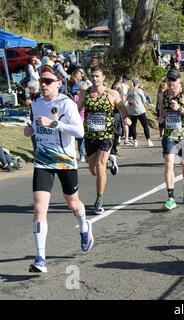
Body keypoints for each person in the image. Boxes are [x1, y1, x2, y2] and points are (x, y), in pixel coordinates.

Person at [23, 65, 93, 273]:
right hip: (43, 160)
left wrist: (54, 124)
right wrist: (30, 130)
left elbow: (79, 131)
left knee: (72, 203)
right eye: (42, 81)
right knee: (39, 208)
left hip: (65, 160)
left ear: (59, 84)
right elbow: (36, 127)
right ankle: (40, 258)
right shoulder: (36, 104)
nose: (43, 84)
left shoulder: (67, 104)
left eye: (48, 81)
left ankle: (84, 226)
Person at [76, 66, 132, 215]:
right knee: (93, 169)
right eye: (92, 76)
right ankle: (110, 161)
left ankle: (99, 200)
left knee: (100, 167)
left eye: (97, 76)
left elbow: (121, 108)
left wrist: (126, 118)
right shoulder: (85, 93)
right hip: (90, 135)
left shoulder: (112, 93)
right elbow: (76, 110)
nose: (95, 79)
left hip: (106, 134)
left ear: (103, 78)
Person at [158, 69, 184, 211]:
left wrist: (180, 108)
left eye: (173, 80)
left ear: (179, 80)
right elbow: (162, 113)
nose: (170, 82)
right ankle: (171, 198)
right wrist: (161, 118)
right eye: (169, 80)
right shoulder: (163, 95)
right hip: (169, 134)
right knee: (168, 163)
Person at [126, 78, 154, 147]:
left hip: (131, 111)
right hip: (140, 110)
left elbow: (127, 99)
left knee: (133, 126)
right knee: (145, 126)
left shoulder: (129, 91)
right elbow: (144, 101)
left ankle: (135, 141)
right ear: (138, 84)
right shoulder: (139, 91)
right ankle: (148, 140)